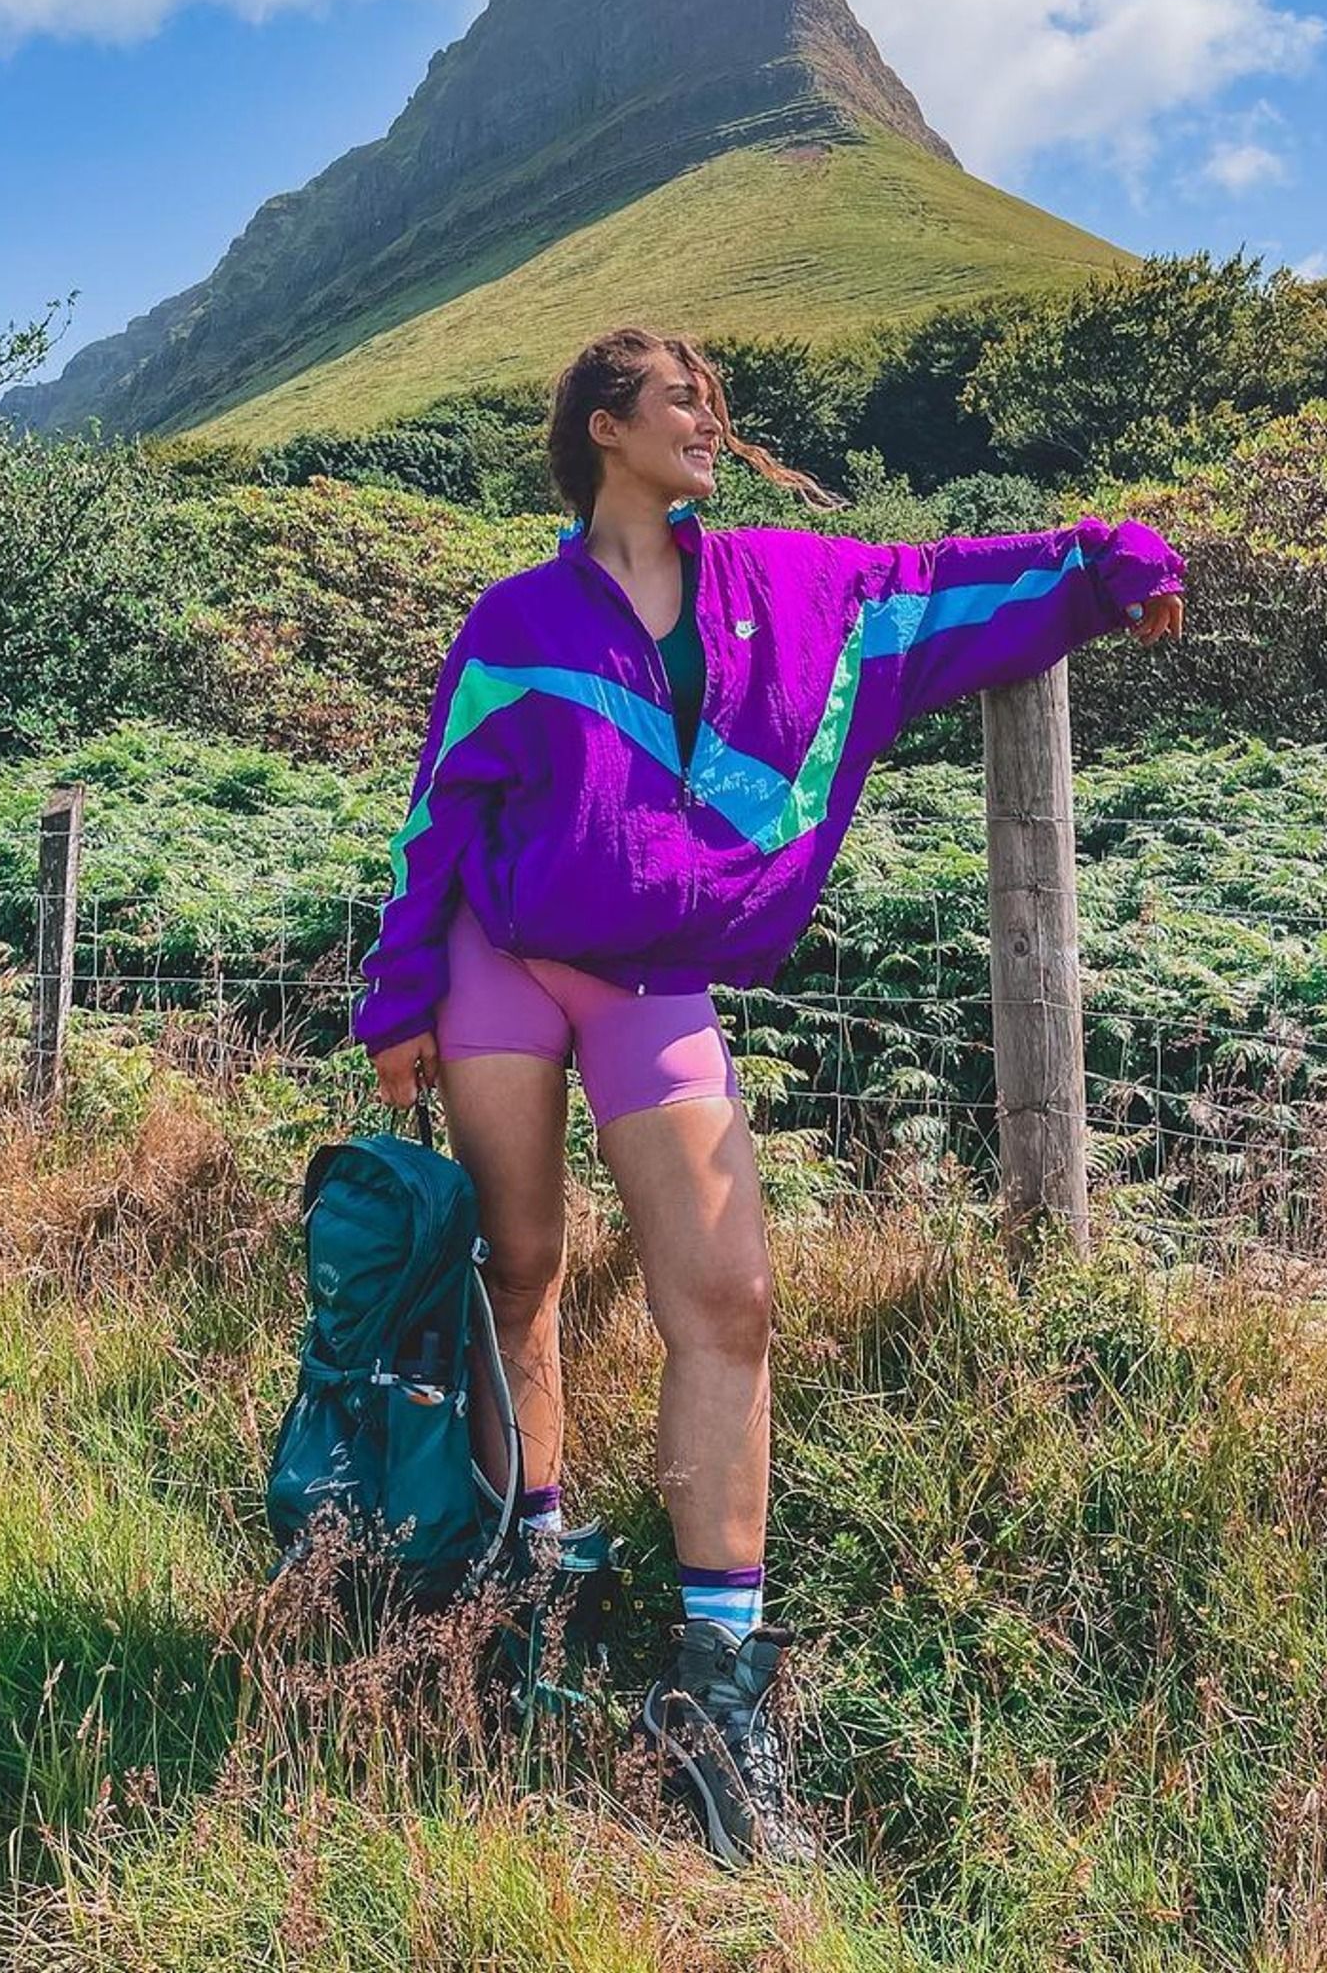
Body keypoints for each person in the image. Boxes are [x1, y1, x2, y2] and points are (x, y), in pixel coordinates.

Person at [351, 325, 1185, 1867]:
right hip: (500, 964)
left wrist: (1100, 562)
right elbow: (441, 803)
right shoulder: (520, 618)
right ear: (606, 425)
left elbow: (935, 591)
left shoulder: (787, 588)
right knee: (517, 1273)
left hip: (653, 976)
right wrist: (399, 992)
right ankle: (527, 1571)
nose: (711, 427)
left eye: (718, 406)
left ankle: (716, 1684)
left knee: (728, 1296)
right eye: (684, 402)